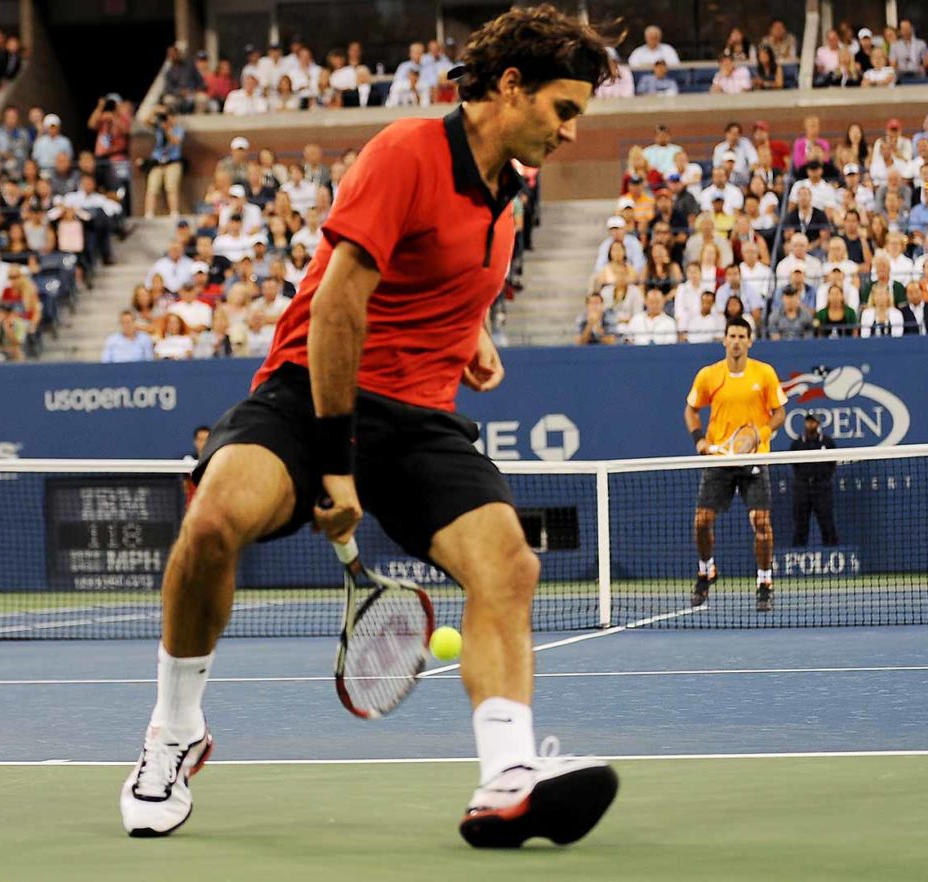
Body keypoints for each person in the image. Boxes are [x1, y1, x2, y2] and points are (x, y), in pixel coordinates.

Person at [119, 6, 619, 847]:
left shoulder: (511, 193)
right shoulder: (407, 153)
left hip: (421, 419)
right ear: (509, 88)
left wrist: (471, 334)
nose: (572, 131)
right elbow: (339, 306)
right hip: (310, 391)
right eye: (564, 109)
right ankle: (173, 733)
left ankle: (506, 779)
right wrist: (336, 463)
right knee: (211, 523)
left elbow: (437, 273)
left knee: (508, 563)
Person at [683, 318, 787, 612]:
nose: (737, 341)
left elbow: (779, 413)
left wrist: (758, 435)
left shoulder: (764, 373)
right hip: (719, 460)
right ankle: (706, 571)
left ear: (750, 341)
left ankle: (764, 582)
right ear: (724, 340)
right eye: (732, 335)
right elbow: (691, 409)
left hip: (754, 459)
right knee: (702, 521)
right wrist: (699, 440)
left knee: (761, 523)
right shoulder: (709, 375)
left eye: (742, 336)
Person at [788, 413, 839, 548]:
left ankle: (831, 551)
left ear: (818, 424)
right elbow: (794, 466)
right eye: (808, 422)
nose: (810, 424)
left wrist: (823, 478)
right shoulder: (797, 444)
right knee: (800, 524)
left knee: (827, 522)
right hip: (802, 489)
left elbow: (832, 464)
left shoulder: (828, 443)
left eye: (813, 422)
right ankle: (798, 553)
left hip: (822, 488)